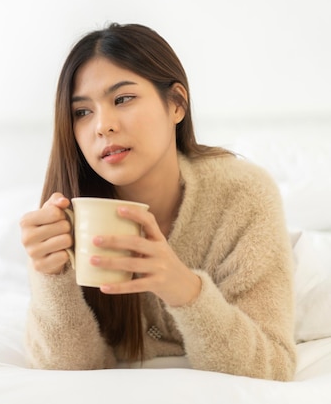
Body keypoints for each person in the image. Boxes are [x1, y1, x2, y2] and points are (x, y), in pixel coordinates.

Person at [19, 23, 296, 381]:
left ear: (177, 103)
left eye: (122, 99)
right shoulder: (65, 215)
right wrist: (50, 276)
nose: (102, 126)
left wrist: (185, 290)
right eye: (82, 112)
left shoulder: (244, 195)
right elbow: (67, 371)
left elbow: (272, 367)